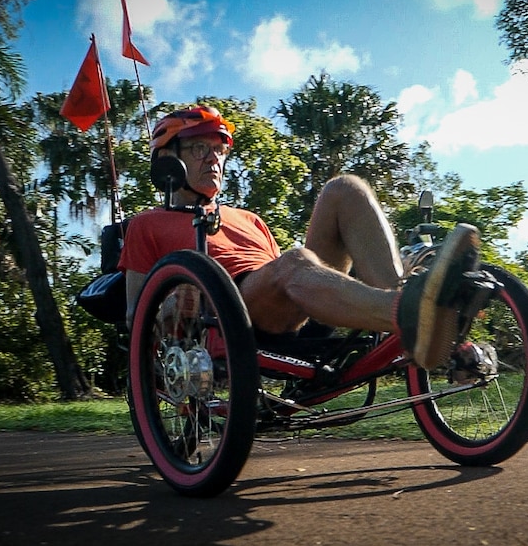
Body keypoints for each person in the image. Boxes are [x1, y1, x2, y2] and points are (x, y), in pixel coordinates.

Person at [118, 105, 480, 369]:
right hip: (230, 317)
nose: (213, 159)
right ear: (168, 158)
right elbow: (137, 313)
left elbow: (284, 273)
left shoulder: (248, 219)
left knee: (344, 188)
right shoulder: (147, 224)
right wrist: (167, 305)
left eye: (219, 150)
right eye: (199, 148)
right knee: (294, 263)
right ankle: (411, 314)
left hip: (294, 303)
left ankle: (416, 307)